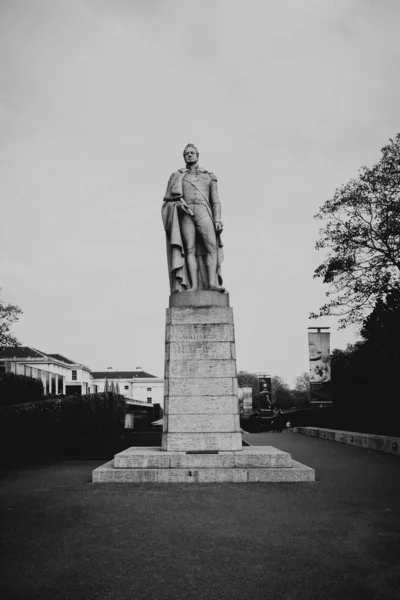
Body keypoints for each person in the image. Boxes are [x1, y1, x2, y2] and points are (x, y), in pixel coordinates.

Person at [162, 144, 225, 293]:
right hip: (186, 213)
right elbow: (167, 200)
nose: (189, 155)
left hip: (204, 211)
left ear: (198, 155)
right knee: (189, 249)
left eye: (192, 153)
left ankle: (211, 283)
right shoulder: (177, 176)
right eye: (186, 154)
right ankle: (194, 285)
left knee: (211, 247)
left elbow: (215, 200)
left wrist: (217, 219)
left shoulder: (209, 176)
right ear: (184, 157)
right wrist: (177, 206)